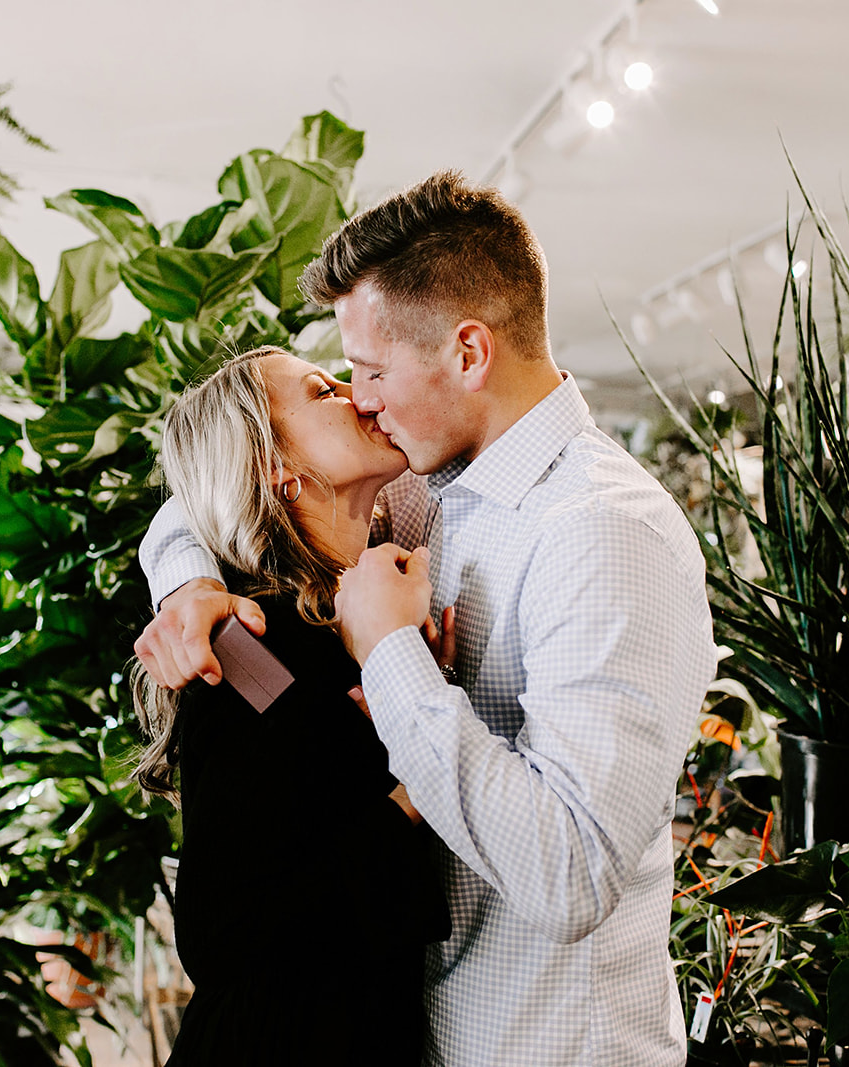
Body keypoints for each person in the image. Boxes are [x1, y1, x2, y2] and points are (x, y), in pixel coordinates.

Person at [136, 171, 716, 1067]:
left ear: (469, 353)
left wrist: (397, 660)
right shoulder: (422, 492)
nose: (362, 397)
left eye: (368, 371)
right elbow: (215, 487)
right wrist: (186, 587)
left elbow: (570, 877)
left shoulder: (602, 533)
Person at [131, 347, 449, 1067]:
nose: (357, 393)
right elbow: (219, 931)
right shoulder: (249, 645)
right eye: (322, 389)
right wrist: (415, 793)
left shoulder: (344, 615)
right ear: (274, 465)